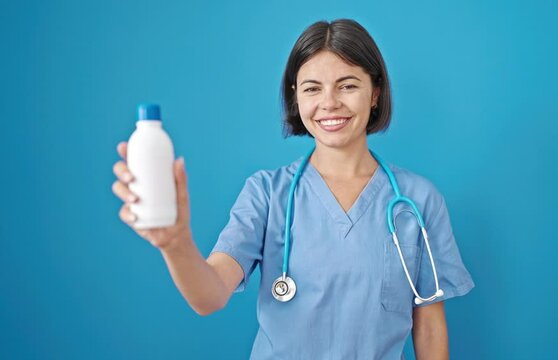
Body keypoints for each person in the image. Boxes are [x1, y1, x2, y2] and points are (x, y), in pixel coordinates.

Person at [112, 19, 474, 360]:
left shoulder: (417, 201)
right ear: (296, 97)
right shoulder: (266, 194)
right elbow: (210, 296)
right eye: (312, 88)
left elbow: (428, 325)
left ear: (375, 93)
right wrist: (175, 244)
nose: (329, 103)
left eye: (348, 85)